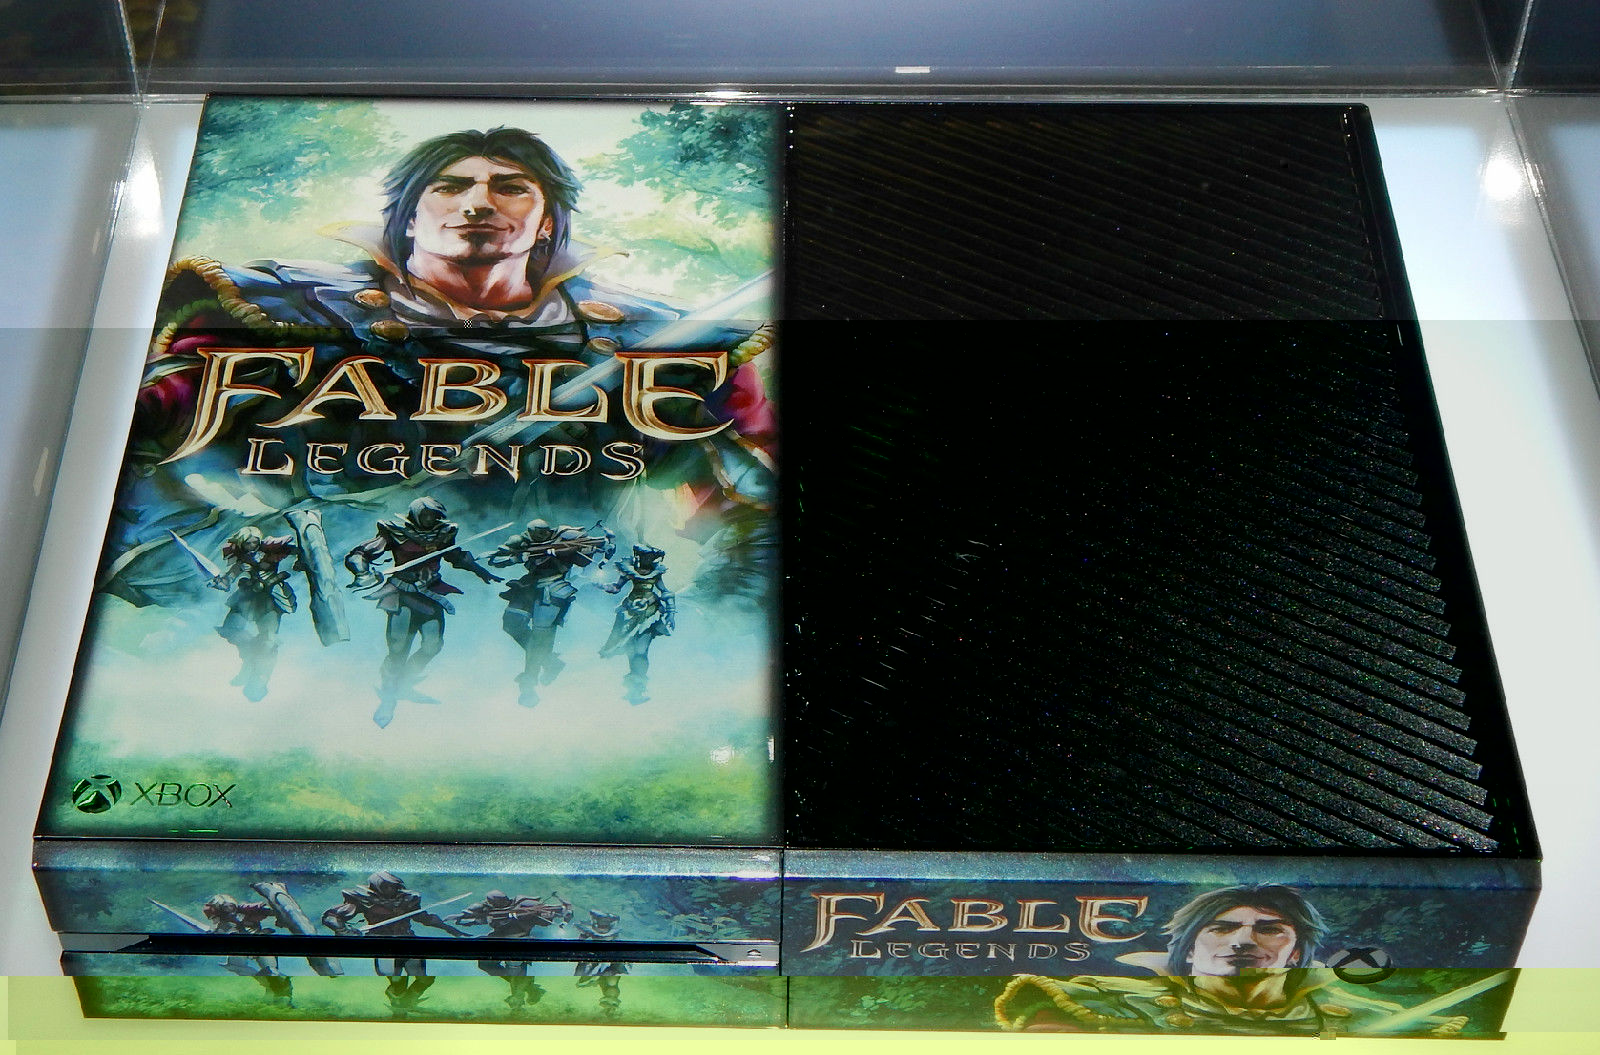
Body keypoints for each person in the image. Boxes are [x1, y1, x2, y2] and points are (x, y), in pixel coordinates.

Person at [994, 885, 1469, 1037]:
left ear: (1297, 950)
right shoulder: (1095, 1002)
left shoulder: (1378, 1021)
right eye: (1221, 928)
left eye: (1269, 928)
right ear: (1188, 948)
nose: (1243, 940)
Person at [345, 496, 501, 727]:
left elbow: (457, 557)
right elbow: (360, 554)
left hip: (429, 595)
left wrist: (481, 572)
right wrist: (363, 572)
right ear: (416, 513)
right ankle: (389, 697)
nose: (430, 519)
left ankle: (402, 681)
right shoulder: (396, 532)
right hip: (402, 595)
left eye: (433, 515)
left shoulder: (442, 534)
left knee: (432, 645)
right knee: (398, 648)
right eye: (426, 514)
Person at [487, 519, 613, 707]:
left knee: (540, 637)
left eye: (544, 532)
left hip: (554, 587)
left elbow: (591, 555)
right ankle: (548, 662)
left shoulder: (565, 535)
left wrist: (573, 551)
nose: (541, 535)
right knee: (512, 622)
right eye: (536, 533)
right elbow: (496, 560)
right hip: (528, 586)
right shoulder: (523, 540)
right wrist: (513, 557)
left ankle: (529, 685)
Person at [321, 871, 467, 1015]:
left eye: (393, 885)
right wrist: (345, 931)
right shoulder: (365, 900)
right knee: (398, 982)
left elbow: (425, 918)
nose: (391, 889)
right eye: (386, 886)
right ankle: (400, 1010)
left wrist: (453, 930)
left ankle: (406, 1002)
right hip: (383, 944)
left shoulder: (406, 899)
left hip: (408, 941)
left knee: (425, 979)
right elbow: (331, 917)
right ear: (376, 886)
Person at [209, 525, 299, 701]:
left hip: (270, 598)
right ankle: (249, 663)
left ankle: (257, 677)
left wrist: (302, 559)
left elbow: (295, 550)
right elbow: (232, 575)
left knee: (268, 641)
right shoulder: (243, 559)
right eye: (248, 543)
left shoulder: (270, 550)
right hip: (248, 597)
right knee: (230, 630)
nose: (251, 546)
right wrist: (222, 582)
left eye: (254, 542)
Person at [449, 889, 574, 1012]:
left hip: (519, 943)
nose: (488, 904)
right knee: (485, 964)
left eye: (492, 902)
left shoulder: (523, 905)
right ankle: (530, 989)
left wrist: (564, 914)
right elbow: (489, 916)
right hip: (498, 941)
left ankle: (519, 1004)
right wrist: (465, 918)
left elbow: (560, 912)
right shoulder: (494, 908)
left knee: (515, 972)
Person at [598, 544, 674, 703]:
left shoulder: (656, 573)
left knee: (640, 649)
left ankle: (638, 686)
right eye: (643, 556)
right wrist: (604, 586)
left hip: (649, 613)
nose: (646, 559)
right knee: (630, 648)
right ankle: (634, 688)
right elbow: (617, 587)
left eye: (649, 557)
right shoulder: (630, 570)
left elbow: (666, 592)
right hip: (630, 611)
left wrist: (671, 613)